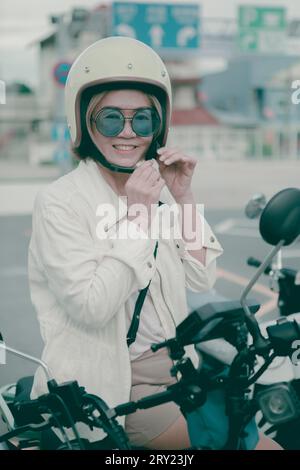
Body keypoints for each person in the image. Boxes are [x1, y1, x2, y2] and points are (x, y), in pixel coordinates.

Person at [28, 36, 278, 450]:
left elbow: (201, 277)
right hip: (118, 390)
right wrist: (139, 217)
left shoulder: (156, 190)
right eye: (111, 119)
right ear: (86, 124)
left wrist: (182, 197)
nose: (127, 132)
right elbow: (91, 307)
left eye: (142, 119)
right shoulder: (61, 202)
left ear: (157, 126)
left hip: (182, 373)